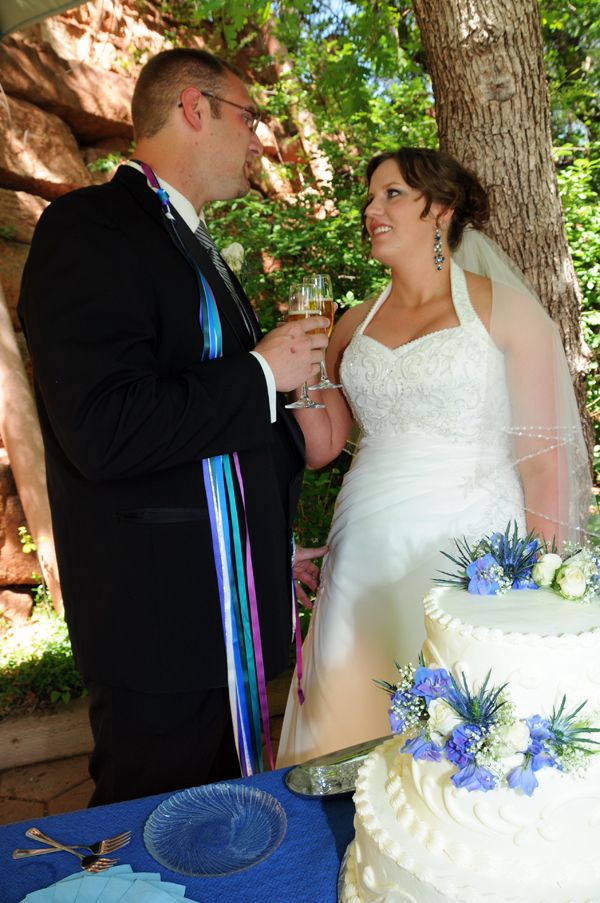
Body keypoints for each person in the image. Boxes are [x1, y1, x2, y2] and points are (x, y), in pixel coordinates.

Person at [17, 48, 330, 805]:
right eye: (249, 118)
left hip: (218, 606)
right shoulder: (89, 228)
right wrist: (261, 372)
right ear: (196, 108)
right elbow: (105, 427)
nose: (259, 141)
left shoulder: (191, 244)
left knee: (223, 829)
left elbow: (214, 436)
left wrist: (267, 541)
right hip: (161, 629)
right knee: (152, 844)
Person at [276, 147, 595, 767]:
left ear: (441, 210)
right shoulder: (350, 325)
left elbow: (543, 464)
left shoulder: (505, 310)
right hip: (364, 546)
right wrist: (302, 374)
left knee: (462, 724)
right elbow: (323, 447)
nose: (372, 209)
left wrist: (539, 586)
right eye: (369, 197)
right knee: (351, 714)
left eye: (391, 194)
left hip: (470, 548)